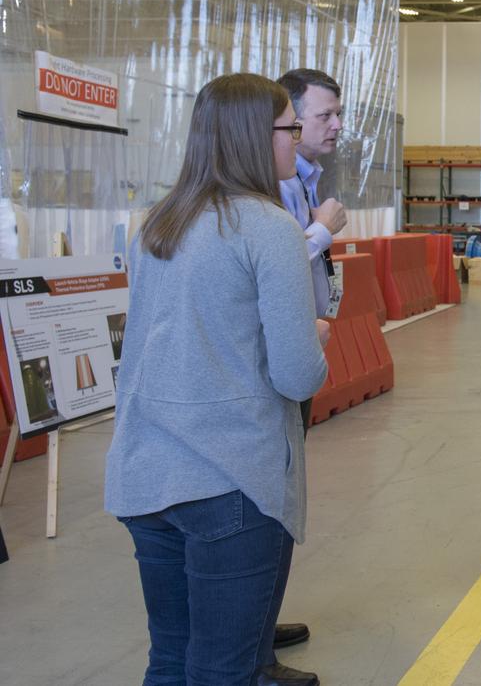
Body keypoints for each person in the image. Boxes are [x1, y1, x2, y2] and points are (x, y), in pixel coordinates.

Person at [104, 73, 330, 686]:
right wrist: (316, 338)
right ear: (260, 136)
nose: (296, 139)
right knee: (222, 670)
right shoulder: (267, 227)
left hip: (146, 474)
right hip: (228, 480)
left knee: (171, 660)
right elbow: (297, 375)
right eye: (289, 127)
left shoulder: (156, 223)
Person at [272, 68, 348, 672]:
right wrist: (321, 231)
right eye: (324, 116)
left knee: (285, 491)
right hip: (277, 363)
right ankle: (248, 636)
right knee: (269, 492)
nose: (335, 126)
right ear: (288, 122)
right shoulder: (269, 189)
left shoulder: (303, 180)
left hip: (303, 348)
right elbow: (269, 270)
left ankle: (258, 618)